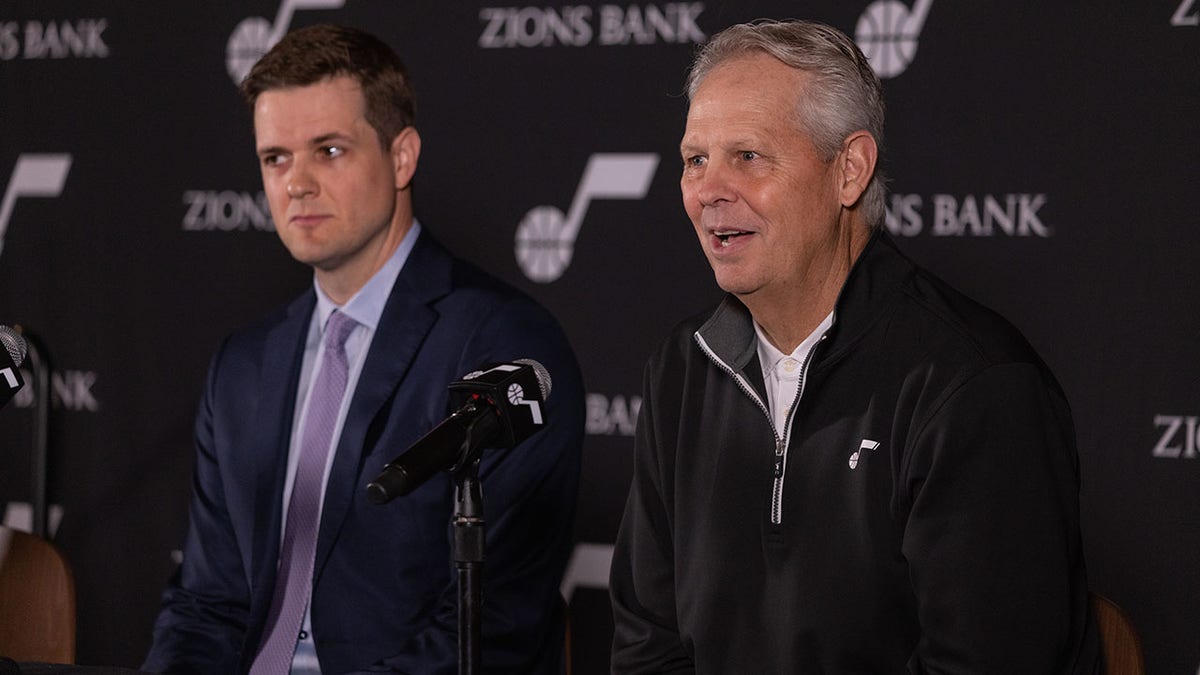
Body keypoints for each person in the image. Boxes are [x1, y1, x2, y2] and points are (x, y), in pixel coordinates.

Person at [609, 19, 1101, 673]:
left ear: (850, 170)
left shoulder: (973, 385)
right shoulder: (681, 367)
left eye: (748, 156)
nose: (708, 189)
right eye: (695, 159)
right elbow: (647, 645)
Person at [143, 24, 584, 674]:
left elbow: (487, 627)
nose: (296, 183)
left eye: (328, 150)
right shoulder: (242, 364)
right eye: (276, 158)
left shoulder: (505, 347)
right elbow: (206, 604)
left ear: (401, 156)